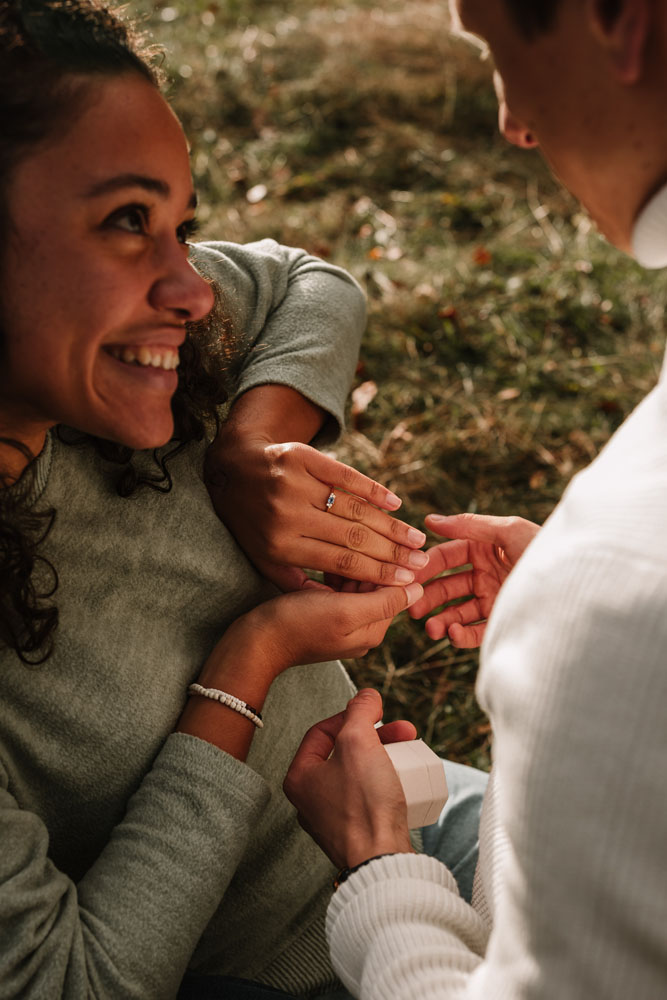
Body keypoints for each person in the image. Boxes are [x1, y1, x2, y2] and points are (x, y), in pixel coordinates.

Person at [0, 1, 466, 997]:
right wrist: (250, 664)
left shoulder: (95, 368)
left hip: (422, 823)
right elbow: (75, 983)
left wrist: (253, 446)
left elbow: (308, 284)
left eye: (182, 227)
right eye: (128, 222)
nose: (192, 289)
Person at [284, 1, 667, 997]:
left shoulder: (619, 596)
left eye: (500, 49)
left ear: (618, 19)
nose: (514, 123)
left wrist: (381, 876)